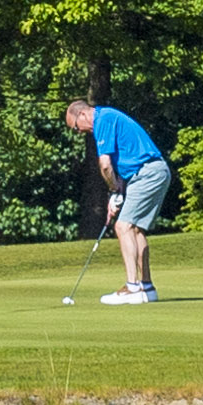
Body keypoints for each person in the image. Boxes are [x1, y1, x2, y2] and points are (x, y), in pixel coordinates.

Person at [63, 98, 171, 305]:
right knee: (136, 229)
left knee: (123, 226)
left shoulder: (102, 120)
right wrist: (117, 192)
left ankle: (132, 288)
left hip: (147, 173)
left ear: (83, 115)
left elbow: (105, 165)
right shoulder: (107, 116)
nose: (79, 132)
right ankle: (146, 287)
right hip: (153, 172)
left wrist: (114, 191)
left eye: (76, 128)